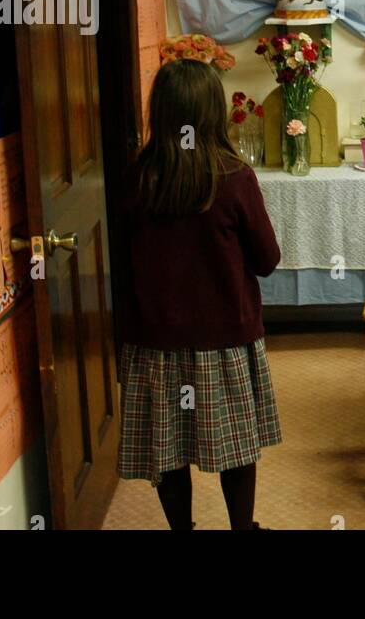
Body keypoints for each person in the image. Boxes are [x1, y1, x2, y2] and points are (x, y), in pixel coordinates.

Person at [117, 59, 283, 530]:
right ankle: (241, 528)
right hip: (225, 337)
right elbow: (267, 260)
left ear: (161, 112)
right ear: (212, 112)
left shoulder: (136, 179)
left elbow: (124, 269)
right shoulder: (234, 178)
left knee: (168, 447)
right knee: (236, 444)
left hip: (154, 340)